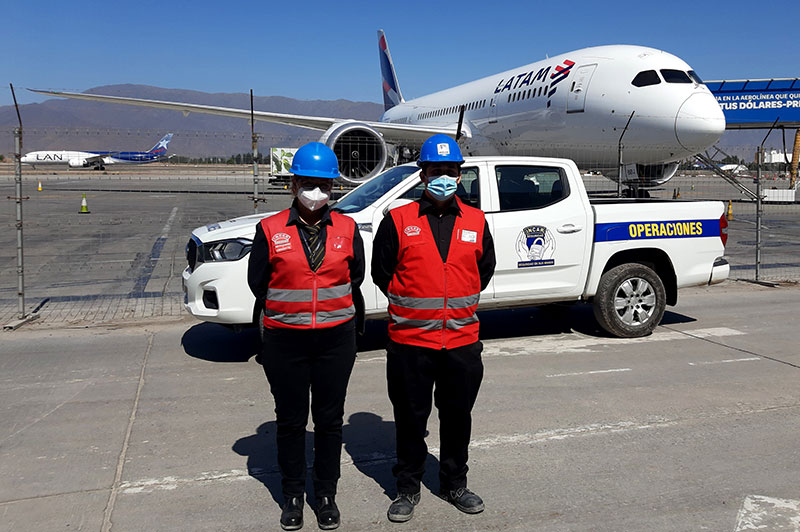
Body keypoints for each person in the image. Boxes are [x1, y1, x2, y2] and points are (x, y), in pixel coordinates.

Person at [371, 134, 496, 523]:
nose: (444, 177)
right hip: (411, 342)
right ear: (423, 173)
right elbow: (381, 272)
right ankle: (407, 487)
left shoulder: (476, 220)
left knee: (458, 417)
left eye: (451, 171)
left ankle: (454, 483)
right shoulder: (398, 218)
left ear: (460, 175)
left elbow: (484, 270)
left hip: (461, 341)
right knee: (410, 418)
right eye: (436, 170)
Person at [248, 142, 364, 531]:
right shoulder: (269, 229)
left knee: (330, 420)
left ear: (334, 188)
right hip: (286, 340)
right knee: (291, 421)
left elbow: (356, 277)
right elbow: (258, 283)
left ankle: (326, 493)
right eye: (309, 184)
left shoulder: (347, 229)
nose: (317, 193)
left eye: (325, 185)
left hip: (335, 340)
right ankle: (293, 494)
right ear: (294, 184)